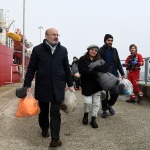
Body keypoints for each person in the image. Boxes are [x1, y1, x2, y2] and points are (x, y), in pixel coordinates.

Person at [22, 28, 74, 148]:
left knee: (55, 112)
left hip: (58, 86)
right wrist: (27, 85)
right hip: (43, 86)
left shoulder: (63, 50)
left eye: (57, 34)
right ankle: (44, 129)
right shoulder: (37, 50)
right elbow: (31, 68)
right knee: (44, 112)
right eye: (53, 34)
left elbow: (66, 68)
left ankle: (55, 139)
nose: (56, 36)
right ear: (46, 36)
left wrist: (70, 84)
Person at [78, 44, 108, 128]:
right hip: (86, 84)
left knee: (96, 103)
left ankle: (93, 118)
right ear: (88, 50)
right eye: (92, 49)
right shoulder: (82, 59)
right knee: (87, 102)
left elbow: (105, 69)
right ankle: (86, 114)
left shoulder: (100, 59)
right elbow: (82, 70)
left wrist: (92, 69)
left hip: (97, 85)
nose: (94, 51)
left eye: (95, 50)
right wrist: (95, 71)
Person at [98, 34, 125, 118]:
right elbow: (99, 63)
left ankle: (109, 105)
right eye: (108, 40)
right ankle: (104, 110)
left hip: (114, 75)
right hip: (104, 76)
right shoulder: (100, 50)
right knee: (104, 95)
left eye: (111, 40)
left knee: (116, 93)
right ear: (105, 41)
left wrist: (122, 73)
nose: (110, 42)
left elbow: (118, 63)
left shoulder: (114, 50)